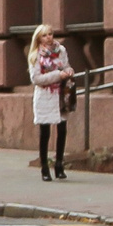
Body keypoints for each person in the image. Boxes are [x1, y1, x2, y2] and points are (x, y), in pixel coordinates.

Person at [28, 24, 74, 182]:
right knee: (45, 132)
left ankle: (59, 164)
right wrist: (57, 75)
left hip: (60, 95)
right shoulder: (35, 55)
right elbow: (36, 79)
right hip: (45, 96)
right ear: (39, 38)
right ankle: (44, 167)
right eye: (45, 35)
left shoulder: (61, 50)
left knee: (62, 129)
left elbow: (66, 66)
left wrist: (69, 72)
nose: (49, 37)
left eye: (51, 34)